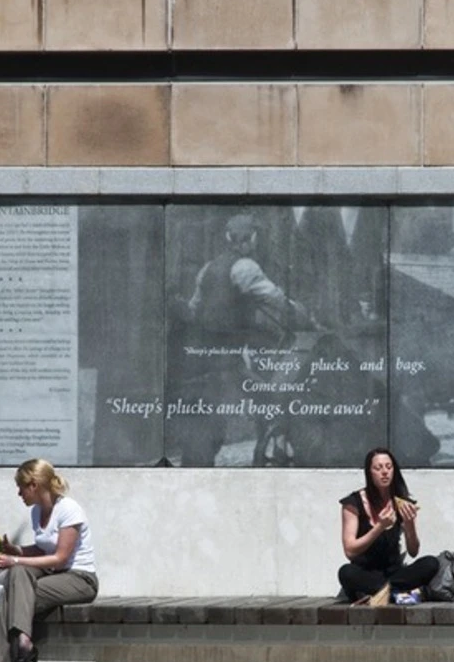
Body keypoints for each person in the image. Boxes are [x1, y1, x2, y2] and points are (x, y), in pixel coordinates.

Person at [172, 213, 315, 466]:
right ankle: (277, 440)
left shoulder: (208, 268)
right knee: (267, 396)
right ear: (251, 240)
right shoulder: (245, 267)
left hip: (202, 358)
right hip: (226, 359)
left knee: (207, 424)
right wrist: (305, 317)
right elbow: (275, 299)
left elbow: (194, 309)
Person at [0, 459, 98, 662]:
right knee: (17, 576)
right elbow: (43, 549)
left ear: (34, 485)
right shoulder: (37, 512)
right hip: (53, 575)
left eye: (21, 487)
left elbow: (60, 558)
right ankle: (23, 642)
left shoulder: (69, 509)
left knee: (13, 593)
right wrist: (15, 552)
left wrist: (15, 559)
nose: (19, 493)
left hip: (79, 578)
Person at [338, 448, 438, 604]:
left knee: (431, 563)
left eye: (388, 467)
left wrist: (410, 526)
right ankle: (397, 595)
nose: (384, 472)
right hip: (365, 573)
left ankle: (384, 594)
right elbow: (350, 551)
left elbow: (413, 551)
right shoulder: (353, 503)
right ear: (369, 473)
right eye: (378, 468)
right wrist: (379, 527)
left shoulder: (401, 502)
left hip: (394, 574)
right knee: (346, 572)